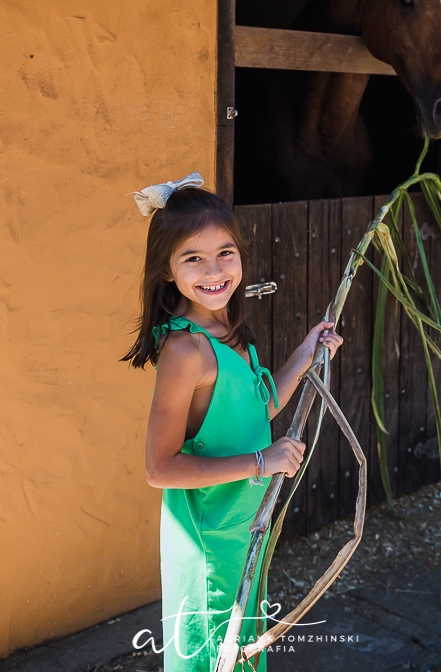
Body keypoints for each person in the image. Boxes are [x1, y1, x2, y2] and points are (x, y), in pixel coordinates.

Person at [121, 172, 343, 672]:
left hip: (242, 534)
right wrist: (262, 461)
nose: (214, 270)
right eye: (192, 258)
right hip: (208, 549)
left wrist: (306, 353)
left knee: (242, 658)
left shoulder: (227, 332)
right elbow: (160, 468)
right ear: (166, 270)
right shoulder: (186, 350)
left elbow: (256, 408)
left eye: (225, 252)